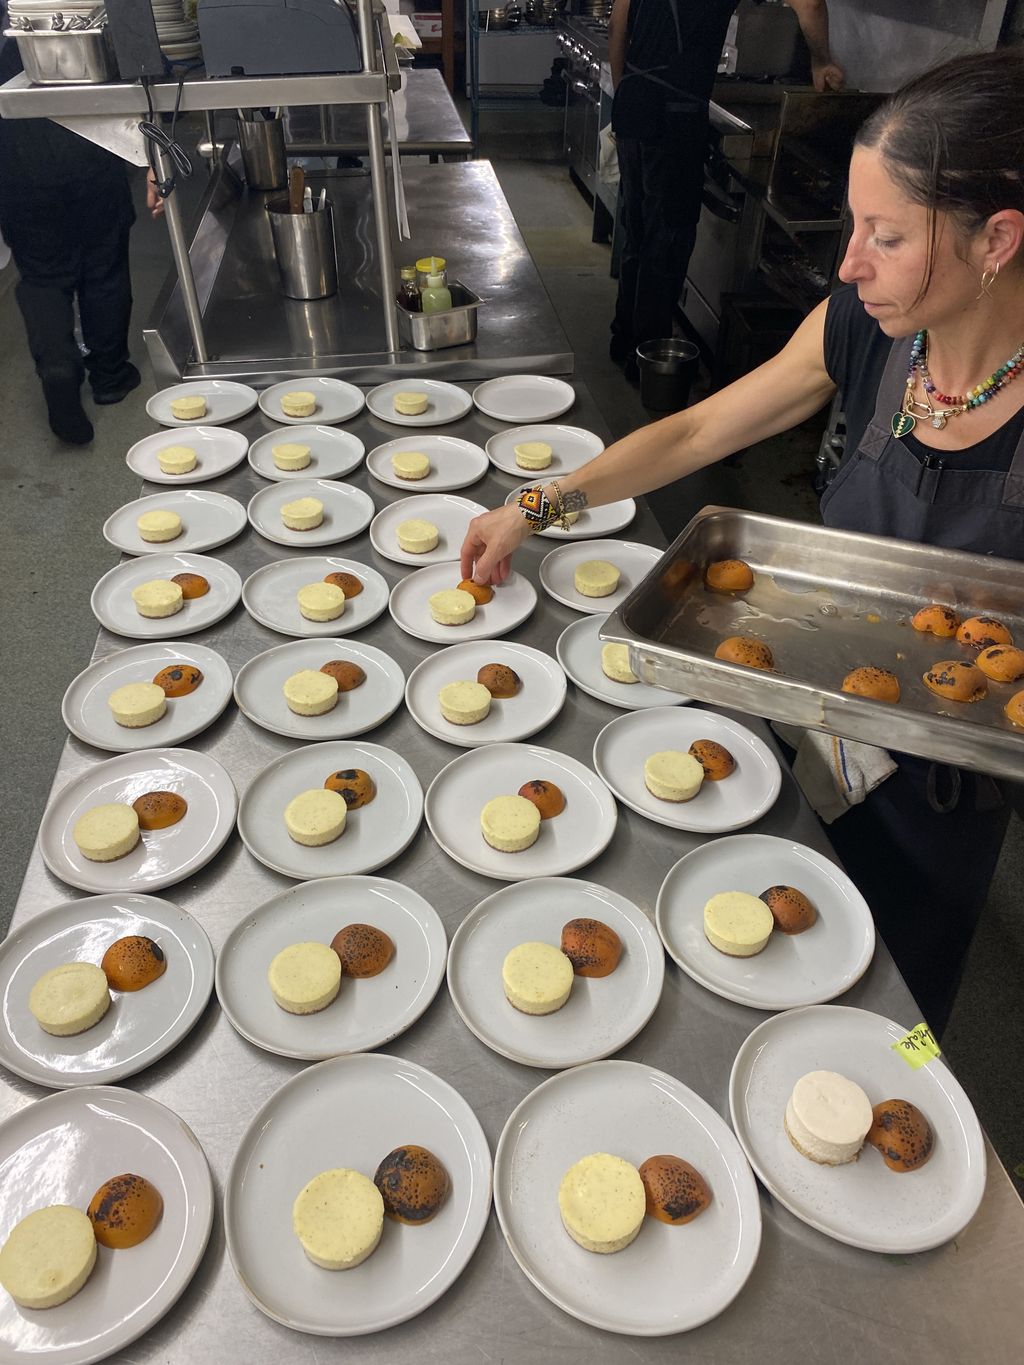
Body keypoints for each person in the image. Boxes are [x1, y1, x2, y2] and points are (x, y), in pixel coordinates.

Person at [461, 47, 1024, 1035]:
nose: (847, 263)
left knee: (897, 1006)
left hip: (946, 795)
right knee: (764, 954)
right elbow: (691, 433)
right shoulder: (862, 329)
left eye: (886, 237)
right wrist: (533, 506)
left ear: (997, 240)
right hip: (808, 730)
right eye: (853, 225)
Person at [607, 0, 844, 376]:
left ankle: (625, 341)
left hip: (634, 103)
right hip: (675, 115)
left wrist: (627, 95)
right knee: (667, 241)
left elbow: (617, 28)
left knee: (637, 232)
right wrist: (820, 60)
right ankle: (649, 363)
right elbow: (809, 3)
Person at [0, 12, 162, 446]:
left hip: (14, 152)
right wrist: (153, 155)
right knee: (103, 265)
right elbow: (136, 55)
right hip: (89, 140)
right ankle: (109, 376)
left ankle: (57, 362)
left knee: (41, 274)